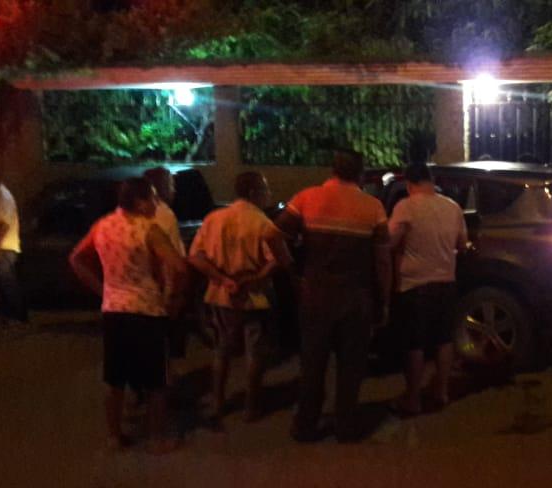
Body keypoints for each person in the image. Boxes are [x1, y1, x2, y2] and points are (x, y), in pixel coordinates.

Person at [277, 149, 391, 443]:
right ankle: (346, 426)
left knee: (312, 363)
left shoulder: (306, 198)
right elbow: (382, 260)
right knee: (351, 366)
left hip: (315, 295)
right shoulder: (373, 207)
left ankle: (306, 425)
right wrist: (385, 299)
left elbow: (274, 235)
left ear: (332, 170)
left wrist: (292, 270)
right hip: (356, 298)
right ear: (361, 174)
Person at [69, 178, 186, 454]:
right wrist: (174, 297)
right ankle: (156, 438)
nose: (156, 203)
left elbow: (76, 259)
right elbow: (178, 267)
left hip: (113, 309)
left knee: (115, 379)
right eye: (152, 198)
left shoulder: (102, 226)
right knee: (156, 380)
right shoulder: (149, 229)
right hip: (147, 310)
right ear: (139, 202)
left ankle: (114, 436)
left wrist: (102, 289)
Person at [188, 171, 290, 423]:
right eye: (265, 189)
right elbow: (278, 260)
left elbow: (195, 257)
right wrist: (256, 278)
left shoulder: (214, 219)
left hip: (222, 296)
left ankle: (218, 402)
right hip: (255, 297)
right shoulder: (263, 223)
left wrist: (221, 279)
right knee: (255, 352)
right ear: (254, 193)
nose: (268, 194)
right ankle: (251, 406)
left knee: (221, 351)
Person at [388, 162, 467, 416]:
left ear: (409, 184)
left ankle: (413, 399)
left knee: (415, 343)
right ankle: (441, 391)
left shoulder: (406, 207)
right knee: (444, 339)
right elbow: (462, 244)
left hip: (414, 284)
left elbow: (390, 242)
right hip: (446, 281)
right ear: (431, 181)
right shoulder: (452, 207)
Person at [144, 167, 188, 381]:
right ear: (160, 187)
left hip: (143, 287)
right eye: (171, 184)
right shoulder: (164, 214)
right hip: (162, 287)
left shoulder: (134, 214)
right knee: (164, 336)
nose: (174, 190)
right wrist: (174, 292)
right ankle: (163, 381)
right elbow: (171, 259)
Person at [0, 168, 27, 324]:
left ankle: (18, 315)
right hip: (2, 246)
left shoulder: (2, 196)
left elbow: (4, 224)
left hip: (4, 247)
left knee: (7, 282)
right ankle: (10, 314)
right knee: (3, 282)